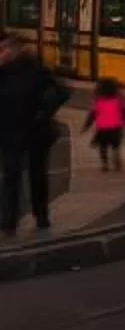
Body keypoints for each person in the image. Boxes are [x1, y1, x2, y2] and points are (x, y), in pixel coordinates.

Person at [0, 32, 67, 235]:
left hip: (33, 130)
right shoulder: (5, 72)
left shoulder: (34, 69)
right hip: (11, 131)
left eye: (4, 50)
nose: (1, 54)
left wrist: (44, 112)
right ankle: (10, 219)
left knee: (34, 175)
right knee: (12, 175)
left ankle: (40, 215)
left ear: (17, 49)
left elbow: (60, 91)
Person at [88, 78, 125, 171]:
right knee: (115, 145)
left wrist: (86, 126)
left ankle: (104, 164)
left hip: (102, 127)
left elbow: (93, 114)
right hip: (116, 126)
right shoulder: (118, 100)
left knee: (103, 146)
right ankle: (116, 158)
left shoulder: (98, 101)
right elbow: (123, 111)